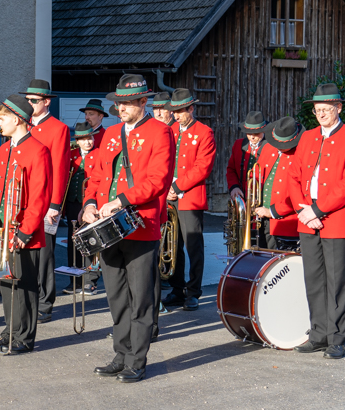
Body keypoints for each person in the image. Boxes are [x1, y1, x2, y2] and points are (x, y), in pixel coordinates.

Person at [84, 74, 173, 383]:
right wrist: (89, 204)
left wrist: (120, 201)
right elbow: (97, 177)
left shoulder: (160, 132)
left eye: (127, 103)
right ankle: (121, 354)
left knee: (141, 298)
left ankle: (137, 360)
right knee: (116, 296)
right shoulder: (110, 133)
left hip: (140, 225)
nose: (120, 108)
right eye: (118, 103)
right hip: (107, 227)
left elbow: (158, 180)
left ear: (143, 102)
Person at [273, 83, 345, 359]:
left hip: (334, 217)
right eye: (317, 110)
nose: (321, 114)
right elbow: (293, 176)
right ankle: (318, 334)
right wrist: (303, 209)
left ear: (339, 108)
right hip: (306, 215)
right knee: (313, 279)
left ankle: (336, 338)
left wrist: (317, 210)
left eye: (326, 109)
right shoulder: (307, 137)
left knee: (337, 281)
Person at [0, 94, 51, 354]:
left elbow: (39, 197)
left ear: (17, 119)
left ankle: (24, 336)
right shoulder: (4, 149)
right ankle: (10, 330)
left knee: (24, 285)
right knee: (7, 284)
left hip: (23, 230)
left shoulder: (38, 149)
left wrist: (25, 232)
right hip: (2, 228)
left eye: (2, 118)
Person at [20, 79, 70, 324]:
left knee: (44, 254)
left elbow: (60, 168)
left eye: (35, 100)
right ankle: (27, 298)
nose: (30, 104)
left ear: (47, 101)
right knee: (25, 251)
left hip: (46, 200)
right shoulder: (23, 124)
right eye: (28, 100)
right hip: (23, 200)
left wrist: (55, 205)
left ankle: (44, 303)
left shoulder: (58, 128)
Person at [162, 88, 216, 312]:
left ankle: (193, 292)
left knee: (193, 247)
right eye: (174, 111)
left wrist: (176, 186)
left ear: (191, 109)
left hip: (189, 197)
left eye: (180, 111)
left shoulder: (204, 132)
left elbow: (202, 167)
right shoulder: (170, 130)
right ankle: (177, 289)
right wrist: (166, 187)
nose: (176, 115)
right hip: (169, 195)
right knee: (173, 246)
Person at [253, 117, 304, 250]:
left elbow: (301, 193)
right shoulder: (267, 148)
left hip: (285, 219)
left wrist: (272, 211)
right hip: (260, 217)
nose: (279, 147)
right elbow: (256, 177)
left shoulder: (301, 154)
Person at [62, 123, 100, 294]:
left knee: (91, 241)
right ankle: (75, 280)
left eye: (90, 138)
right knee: (73, 242)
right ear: (77, 141)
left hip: (91, 204)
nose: (88, 142)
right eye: (83, 139)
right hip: (72, 203)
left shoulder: (99, 154)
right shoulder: (71, 155)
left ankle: (91, 280)